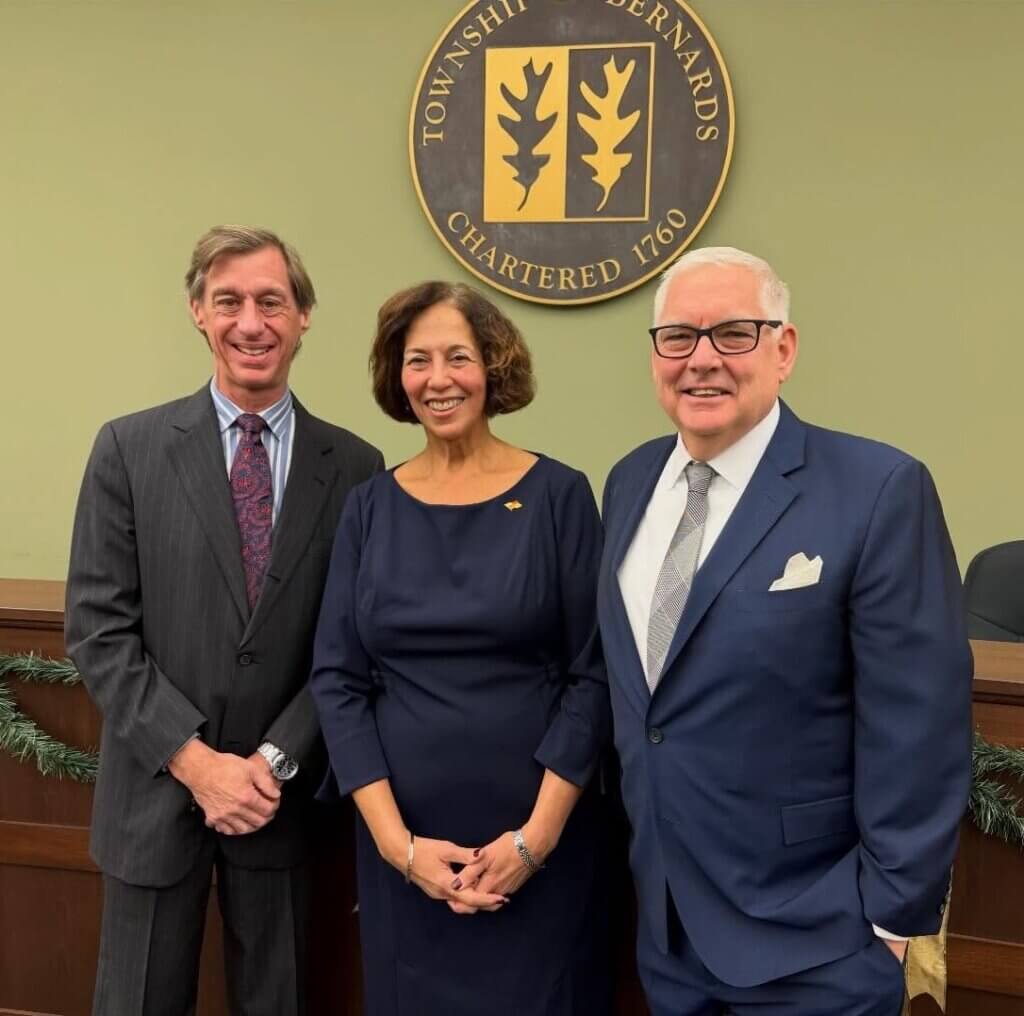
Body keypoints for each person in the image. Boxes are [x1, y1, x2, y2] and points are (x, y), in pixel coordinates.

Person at [597, 246, 972, 1014]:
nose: (701, 359)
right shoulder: (630, 480)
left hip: (818, 943)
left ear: (783, 349)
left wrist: (891, 921)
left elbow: (920, 723)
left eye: (732, 333)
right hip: (668, 936)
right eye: (678, 337)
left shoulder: (877, 489)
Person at [65, 225, 383, 1015]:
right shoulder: (128, 449)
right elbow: (99, 628)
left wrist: (272, 762)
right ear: (198, 314)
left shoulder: (355, 468)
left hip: (282, 806)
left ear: (304, 316)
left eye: (272, 301)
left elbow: (349, 643)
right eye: (230, 301)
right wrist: (197, 763)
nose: (252, 323)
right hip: (153, 797)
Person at [309, 281, 611, 1016]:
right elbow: (338, 680)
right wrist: (397, 847)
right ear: (396, 377)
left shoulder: (560, 496)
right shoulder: (369, 507)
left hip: (540, 846)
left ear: (494, 367)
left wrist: (532, 843)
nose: (438, 379)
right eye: (418, 361)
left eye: (457, 357)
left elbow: (592, 676)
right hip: (404, 850)